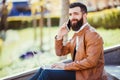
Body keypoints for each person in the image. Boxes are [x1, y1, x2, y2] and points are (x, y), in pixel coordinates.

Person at [29, 2, 108, 80]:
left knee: (47, 73)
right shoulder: (77, 35)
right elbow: (60, 52)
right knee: (43, 69)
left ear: (84, 15)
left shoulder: (93, 35)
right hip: (78, 72)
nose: (72, 17)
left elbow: (91, 62)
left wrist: (65, 66)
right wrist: (60, 36)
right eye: (70, 14)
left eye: (76, 14)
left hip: (88, 76)